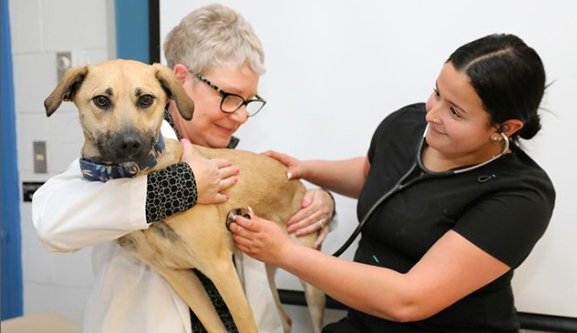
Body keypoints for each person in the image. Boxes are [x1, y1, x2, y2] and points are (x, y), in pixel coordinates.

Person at [32, 4, 335, 333]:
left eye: (249, 101)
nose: (241, 116)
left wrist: (323, 202)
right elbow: (51, 223)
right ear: (180, 81)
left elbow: (278, 191)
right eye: (230, 96)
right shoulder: (107, 163)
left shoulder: (235, 161)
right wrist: (184, 185)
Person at [230, 33, 556, 333]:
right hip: (366, 324)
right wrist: (309, 169)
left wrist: (284, 253)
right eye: (437, 93)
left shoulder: (521, 197)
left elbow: (408, 299)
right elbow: (376, 177)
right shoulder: (407, 125)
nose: (432, 115)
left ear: (506, 127)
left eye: (455, 112)